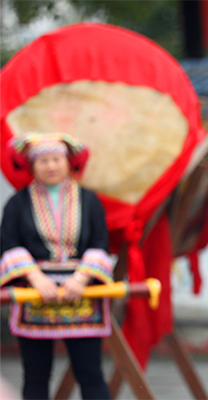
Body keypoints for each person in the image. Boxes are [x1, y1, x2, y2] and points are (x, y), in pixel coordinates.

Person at [0, 133, 112, 400]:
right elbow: (8, 243)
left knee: (91, 373)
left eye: (56, 159)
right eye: (43, 161)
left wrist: (80, 279)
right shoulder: (17, 203)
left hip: (82, 293)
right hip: (35, 293)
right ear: (32, 166)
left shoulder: (89, 200)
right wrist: (37, 279)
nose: (50, 166)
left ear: (68, 162)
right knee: (36, 375)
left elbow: (100, 242)